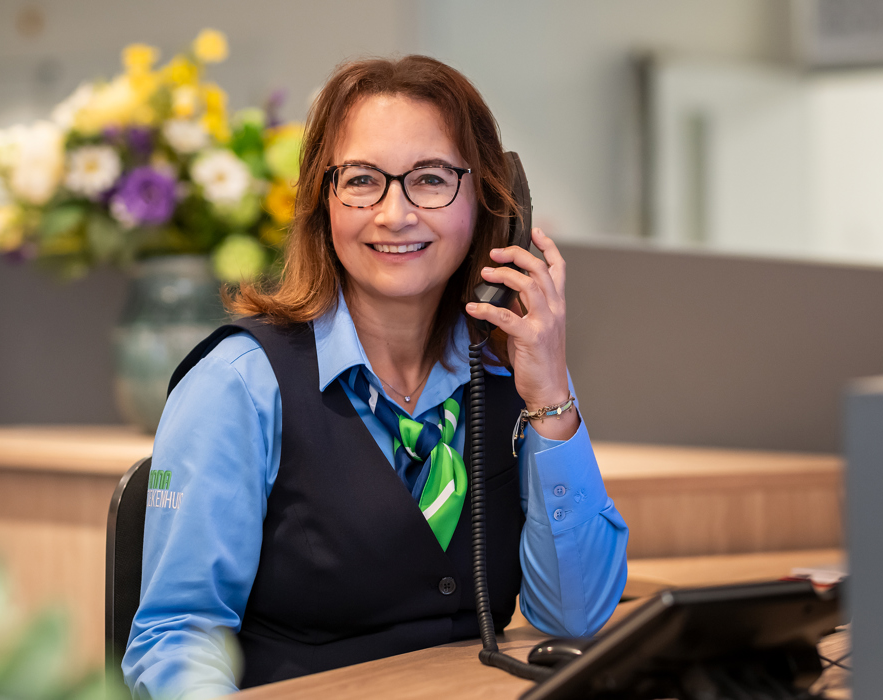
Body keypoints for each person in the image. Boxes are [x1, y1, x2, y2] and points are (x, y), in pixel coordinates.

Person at [122, 55, 629, 699]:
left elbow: (576, 618)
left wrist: (552, 398)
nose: (394, 213)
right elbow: (179, 634)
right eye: (362, 180)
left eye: (430, 178)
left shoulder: (515, 372)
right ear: (322, 200)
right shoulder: (239, 385)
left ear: (491, 200)